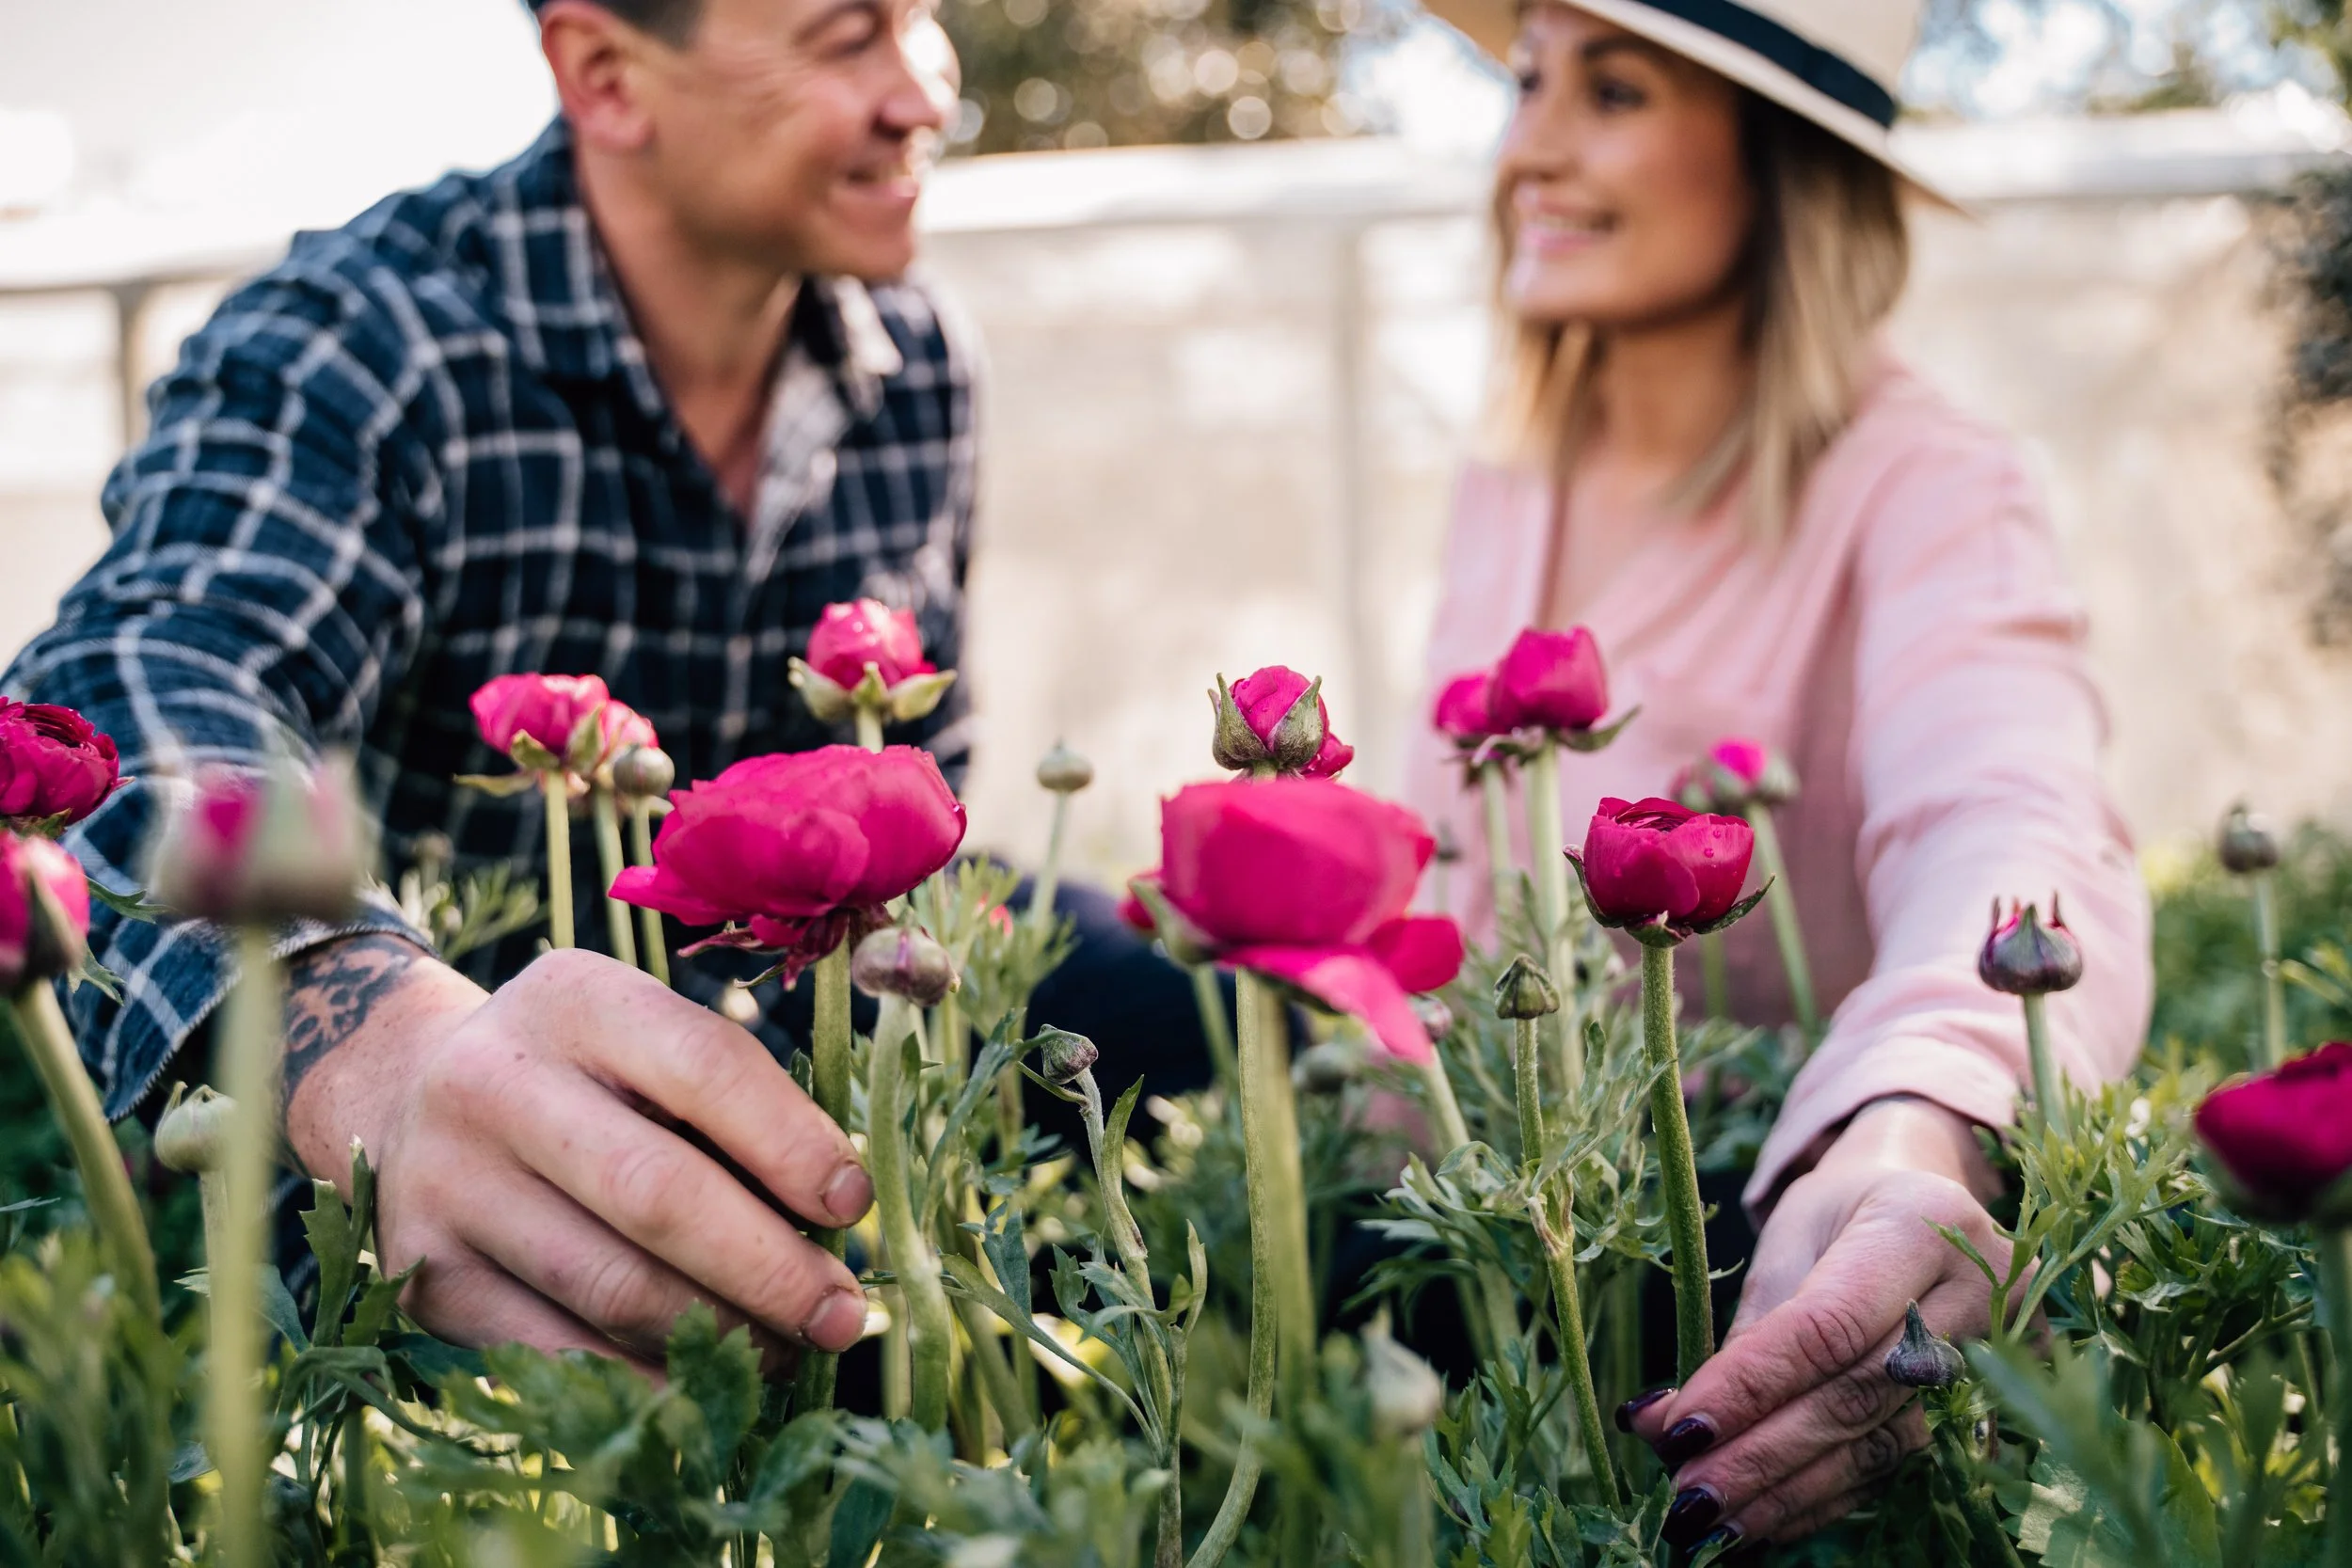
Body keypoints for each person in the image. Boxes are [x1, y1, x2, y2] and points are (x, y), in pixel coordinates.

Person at [2, 0, 1204, 1375]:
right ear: (606, 75)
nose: (928, 89)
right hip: (445, 1146)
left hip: (796, 1053)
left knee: (1202, 1014)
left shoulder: (918, 359)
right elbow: (141, 678)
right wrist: (371, 1030)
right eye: (846, 34)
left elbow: (925, 790)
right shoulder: (366, 339)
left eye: (923, 15)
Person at [1407, 0, 2153, 1553]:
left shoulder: (1927, 482)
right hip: (1452, 1219)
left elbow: (2009, 804)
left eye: (1614, 91)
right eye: (1529, 80)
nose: (1530, 146)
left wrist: (1911, 1121)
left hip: (1724, 1255)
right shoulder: (1511, 471)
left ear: (1784, 165)